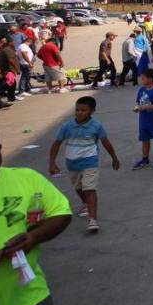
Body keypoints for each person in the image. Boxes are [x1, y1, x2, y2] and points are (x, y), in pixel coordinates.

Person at [0, 123, 72, 305]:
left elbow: (61, 213)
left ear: (0, 150)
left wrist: (33, 237)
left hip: (29, 301)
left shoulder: (25, 179)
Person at [49, 96, 121, 233]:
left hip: (90, 162)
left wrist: (114, 158)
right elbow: (56, 144)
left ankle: (92, 220)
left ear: (92, 111)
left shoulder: (96, 126)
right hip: (72, 164)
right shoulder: (67, 126)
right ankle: (85, 203)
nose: (79, 113)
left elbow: (106, 142)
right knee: (79, 188)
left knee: (90, 188)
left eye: (83, 110)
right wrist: (52, 162)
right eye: (77, 110)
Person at [132, 68, 153, 170]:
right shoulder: (141, 90)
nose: (141, 80)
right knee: (144, 139)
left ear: (151, 79)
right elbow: (138, 102)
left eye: (143, 78)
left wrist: (148, 107)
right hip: (143, 120)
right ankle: (145, 158)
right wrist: (137, 107)